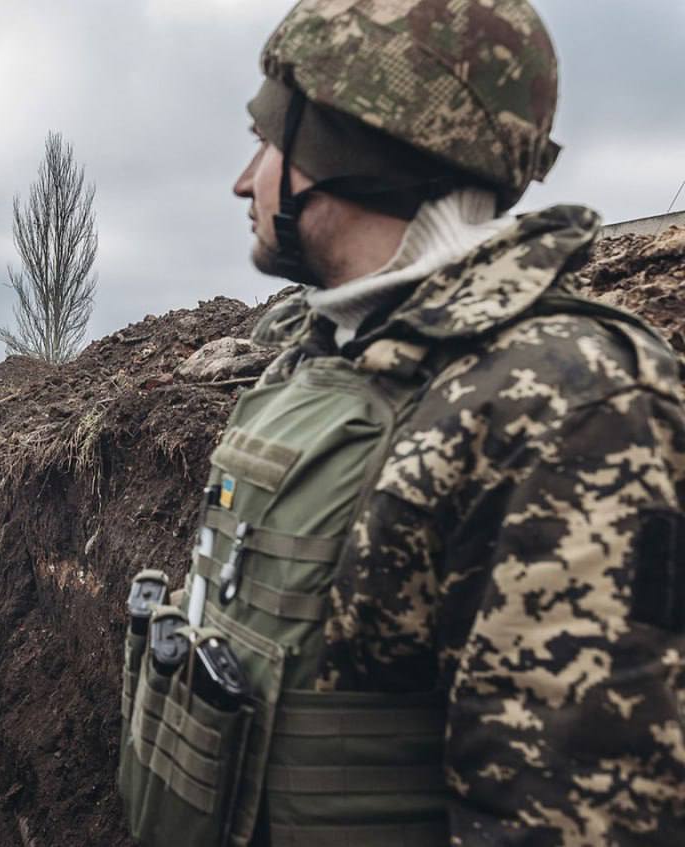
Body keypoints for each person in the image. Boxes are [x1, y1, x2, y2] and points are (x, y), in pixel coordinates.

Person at [118, 1, 685, 844]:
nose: (245, 180)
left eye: (269, 141)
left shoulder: (566, 402)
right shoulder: (321, 356)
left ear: (351, 149)